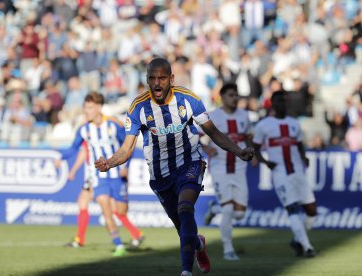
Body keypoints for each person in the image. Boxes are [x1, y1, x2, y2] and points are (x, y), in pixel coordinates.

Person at [94, 58, 254, 276]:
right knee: (183, 229)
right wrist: (109, 162)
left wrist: (238, 150)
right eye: (152, 78)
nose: (157, 83)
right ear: (147, 79)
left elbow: (213, 132)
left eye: (161, 78)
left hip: (190, 163)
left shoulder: (188, 100)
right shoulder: (138, 107)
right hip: (160, 175)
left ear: (171, 78)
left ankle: (186, 272)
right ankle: (197, 245)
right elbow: (126, 149)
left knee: (185, 208)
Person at [58, 92, 144, 257]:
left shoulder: (113, 125)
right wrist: (59, 158)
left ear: (98, 107)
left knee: (120, 210)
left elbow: (128, 147)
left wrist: (126, 166)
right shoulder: (83, 129)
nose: (87, 111)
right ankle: (118, 245)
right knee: (105, 208)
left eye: (90, 107)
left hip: (117, 175)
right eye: (85, 108)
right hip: (99, 177)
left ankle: (136, 234)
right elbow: (73, 148)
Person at [252, 91, 317, 258]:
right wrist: (265, 162)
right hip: (280, 173)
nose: (282, 104)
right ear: (272, 104)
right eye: (279, 101)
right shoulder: (263, 125)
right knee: (292, 209)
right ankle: (308, 247)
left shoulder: (294, 123)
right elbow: (255, 148)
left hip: (298, 172)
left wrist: (304, 157)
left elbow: (299, 144)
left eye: (284, 101)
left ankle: (297, 240)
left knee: (311, 212)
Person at [201, 83, 252, 261]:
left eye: (236, 95)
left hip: (239, 168)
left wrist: (254, 154)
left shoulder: (245, 116)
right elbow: (193, 135)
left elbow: (248, 137)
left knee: (240, 214)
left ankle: (214, 209)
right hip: (219, 166)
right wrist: (206, 148)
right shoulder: (212, 116)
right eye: (231, 95)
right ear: (222, 97)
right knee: (229, 209)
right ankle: (228, 249)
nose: (235, 98)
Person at [65, 141, 144, 249]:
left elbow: (83, 153)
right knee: (85, 202)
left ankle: (128, 238)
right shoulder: (94, 131)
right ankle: (136, 234)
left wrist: (73, 171)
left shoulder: (89, 133)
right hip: (98, 176)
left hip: (98, 176)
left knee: (111, 209)